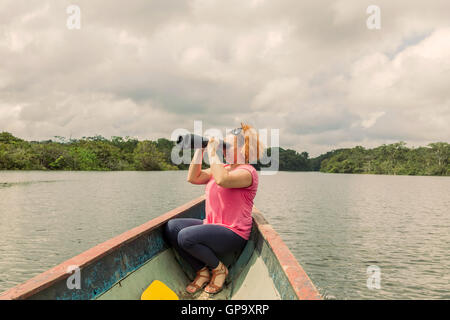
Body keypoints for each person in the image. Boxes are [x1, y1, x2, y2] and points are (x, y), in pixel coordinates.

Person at [164, 123, 264, 294]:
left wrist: (212, 152)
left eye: (228, 146)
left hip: (233, 233)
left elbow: (222, 180)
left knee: (185, 237)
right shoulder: (222, 167)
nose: (223, 151)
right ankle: (202, 271)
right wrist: (201, 148)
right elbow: (193, 178)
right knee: (172, 227)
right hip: (211, 225)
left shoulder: (248, 172)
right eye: (223, 147)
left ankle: (219, 270)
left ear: (244, 149)